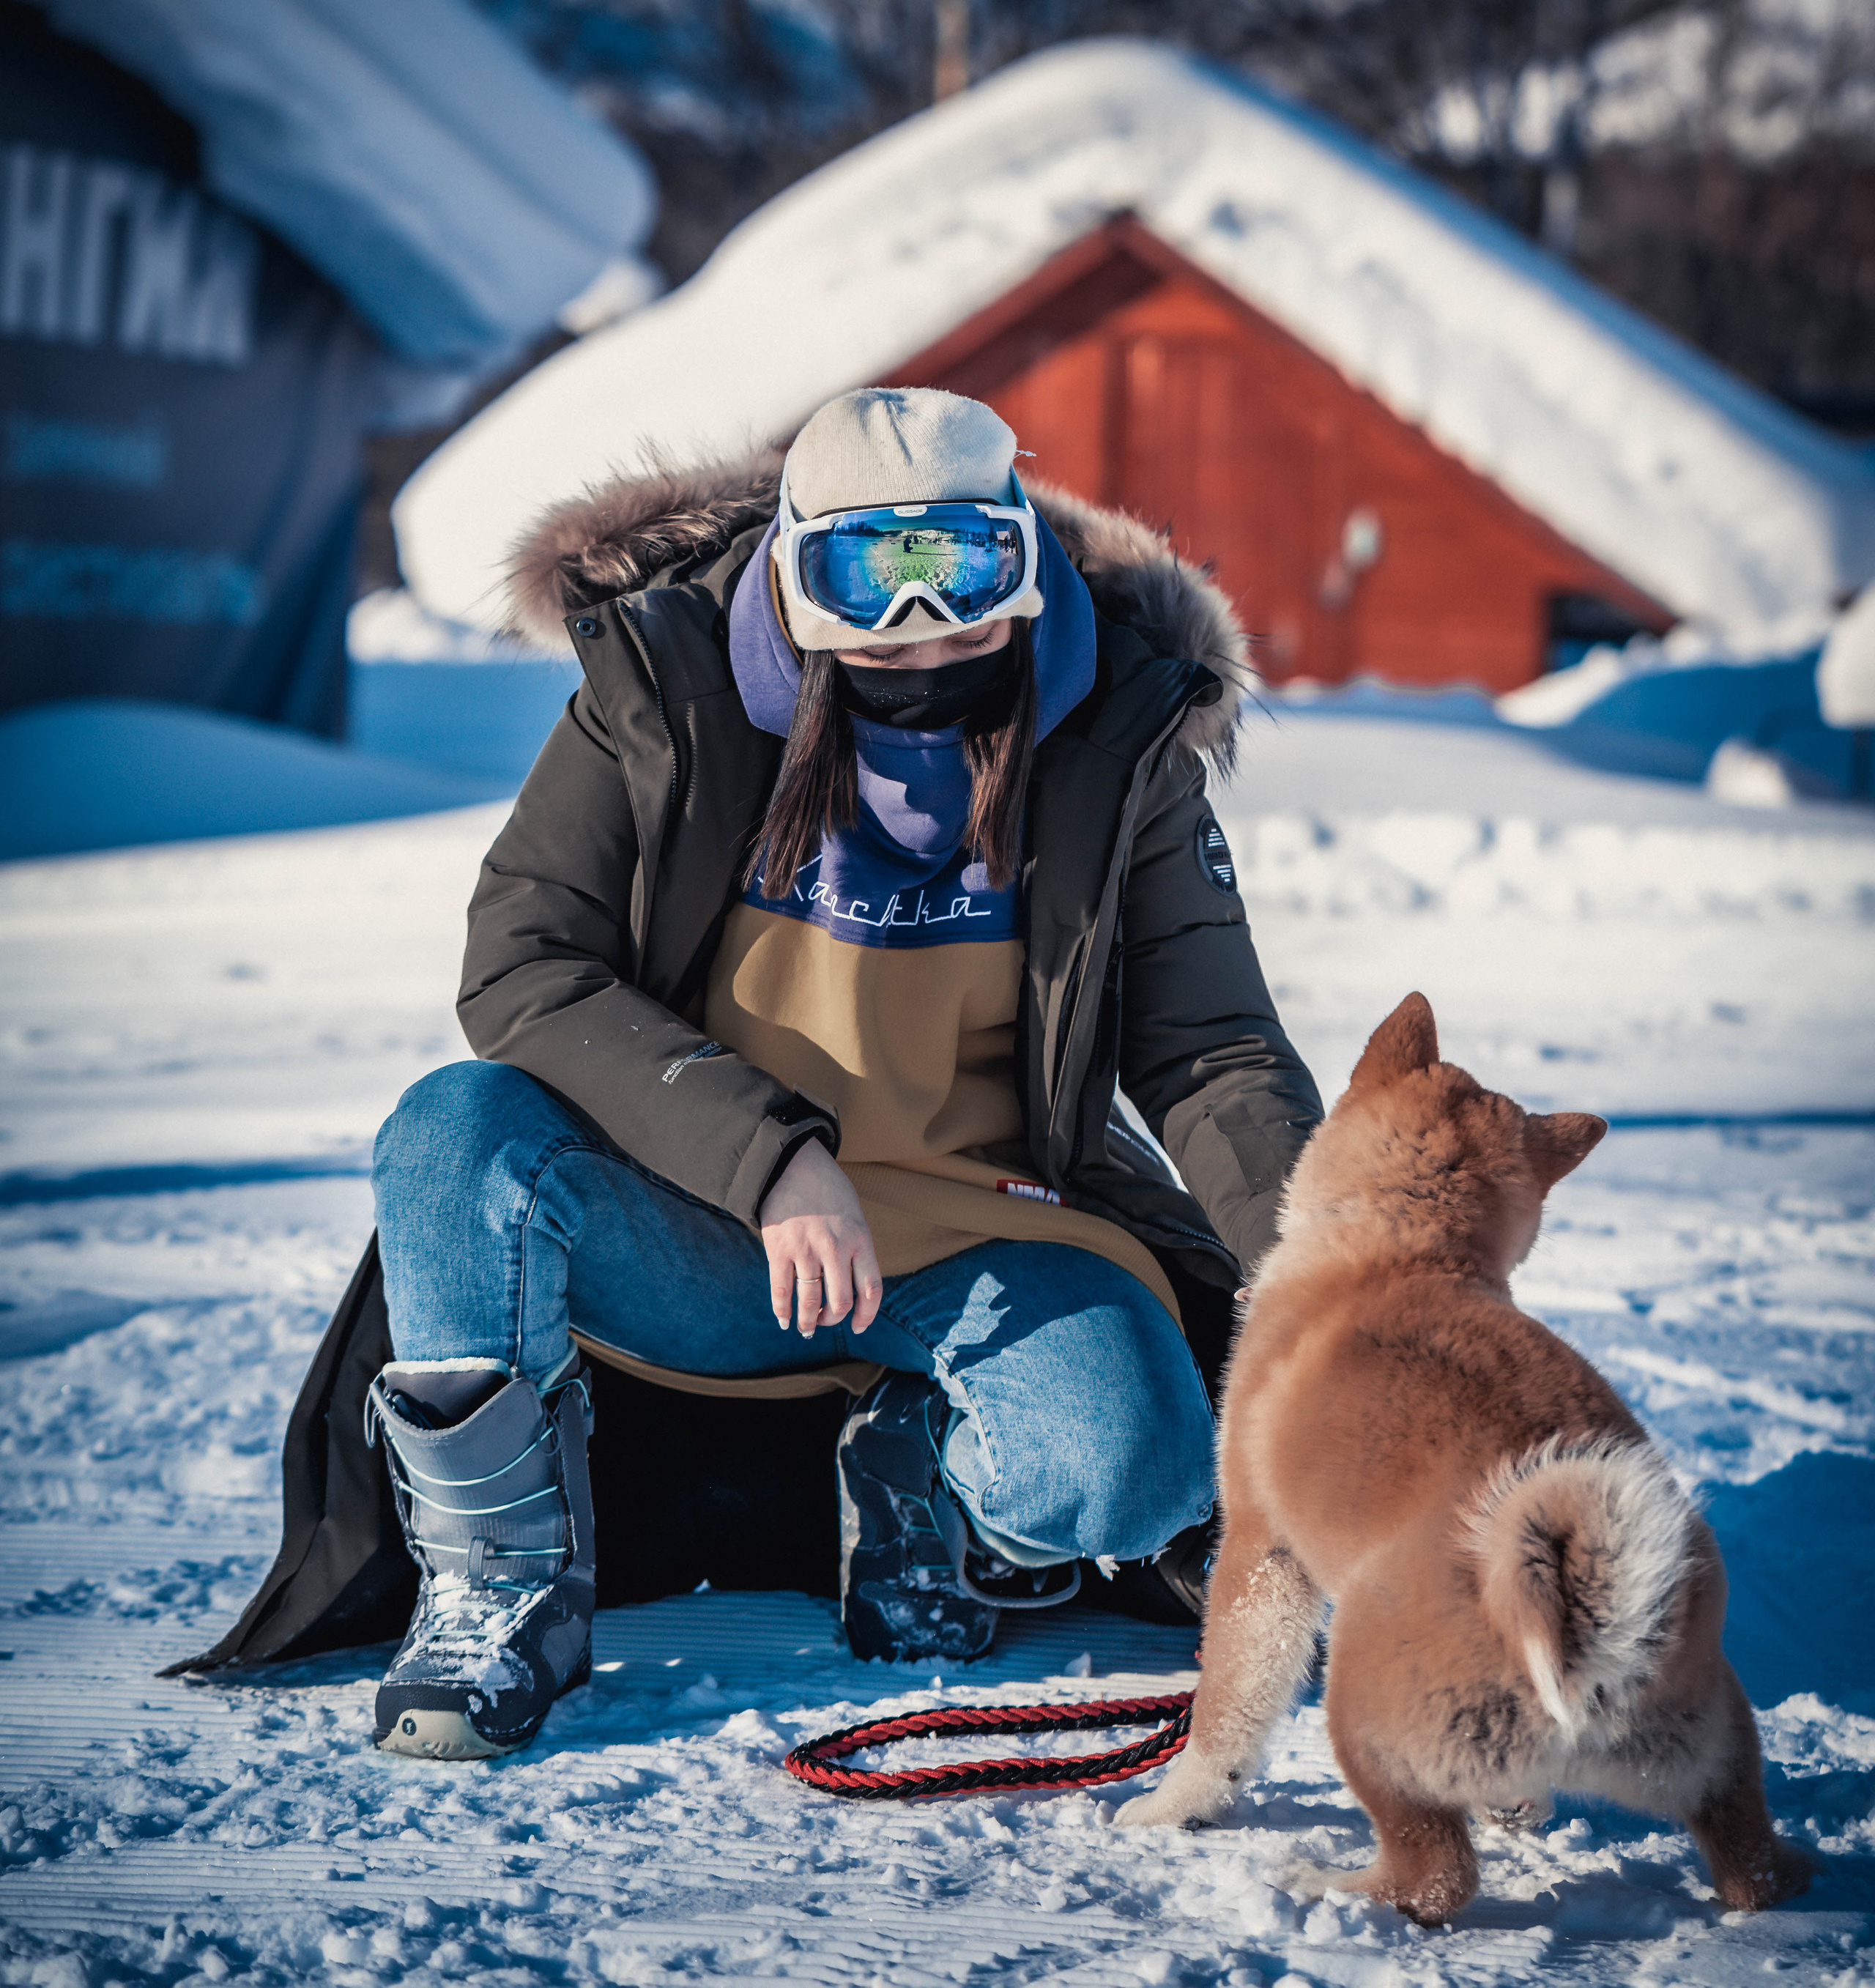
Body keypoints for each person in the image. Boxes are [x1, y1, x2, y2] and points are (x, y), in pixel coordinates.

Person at [364, 387, 1323, 1759]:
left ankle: (923, 1467)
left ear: (1027, 554)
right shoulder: (664, 692)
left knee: (1142, 1469)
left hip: (988, 1224)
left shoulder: (1116, 730)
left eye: (964, 565)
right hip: (708, 1218)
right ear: (794, 572)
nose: (920, 622)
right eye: (870, 574)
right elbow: (523, 967)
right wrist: (769, 1156)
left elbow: (1211, 1049)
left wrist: (1345, 1273)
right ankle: (498, 1584)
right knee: (455, 1135)